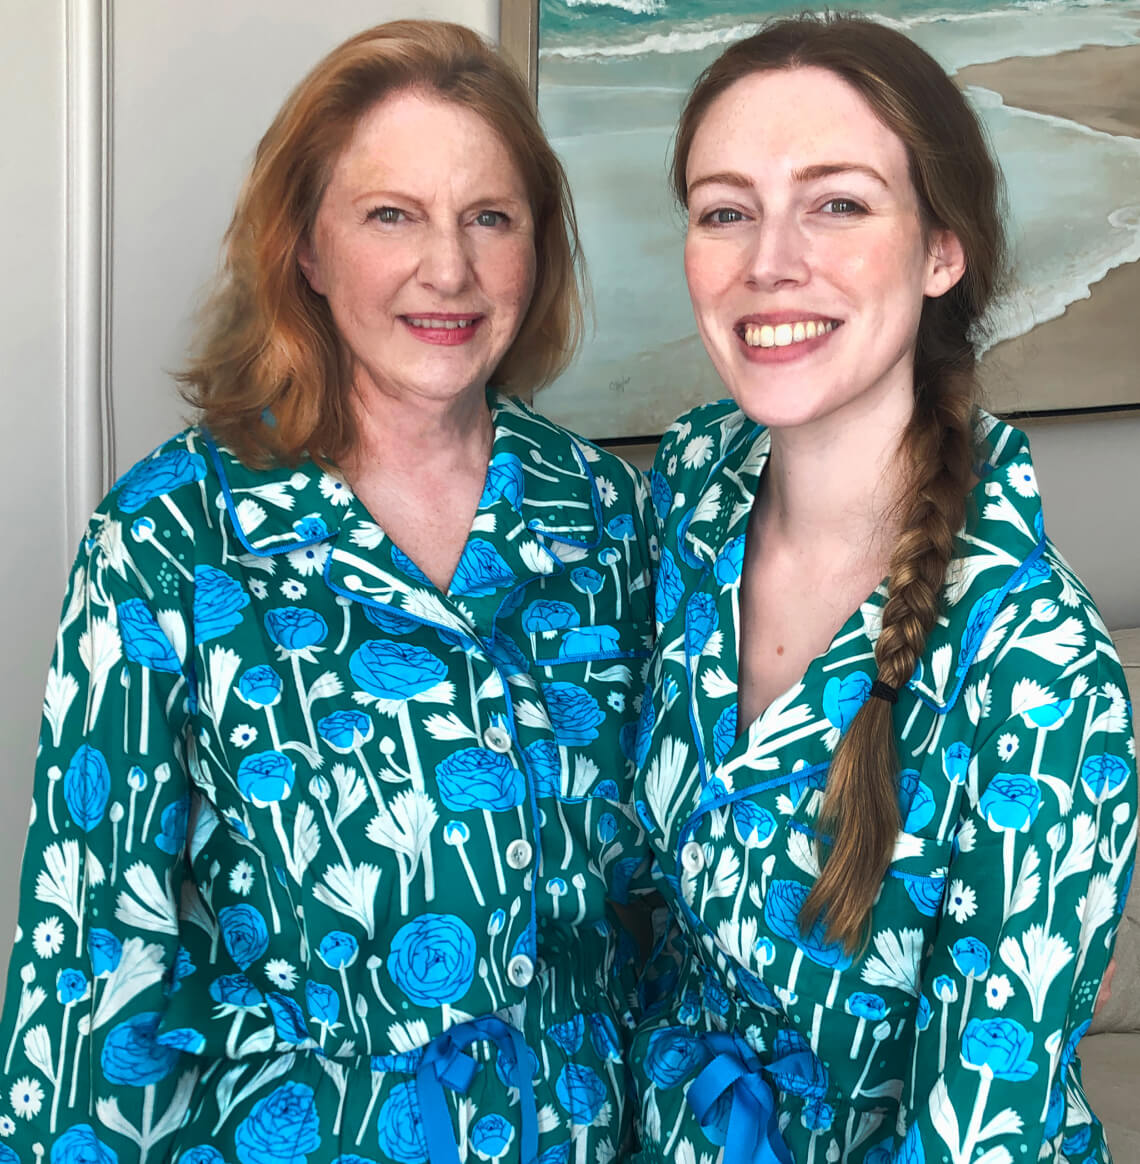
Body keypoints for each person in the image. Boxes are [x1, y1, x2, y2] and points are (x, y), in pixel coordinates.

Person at [0, 20, 658, 1164]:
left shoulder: (603, 513)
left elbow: (660, 914)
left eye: (488, 218)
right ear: (305, 246)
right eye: (390, 214)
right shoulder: (170, 536)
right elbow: (94, 956)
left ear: (536, 250)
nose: (447, 270)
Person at [629, 14, 1136, 1164]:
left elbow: (981, 1127)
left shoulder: (1041, 672)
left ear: (942, 249)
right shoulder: (692, 492)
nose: (770, 261)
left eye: (840, 203)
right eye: (726, 210)